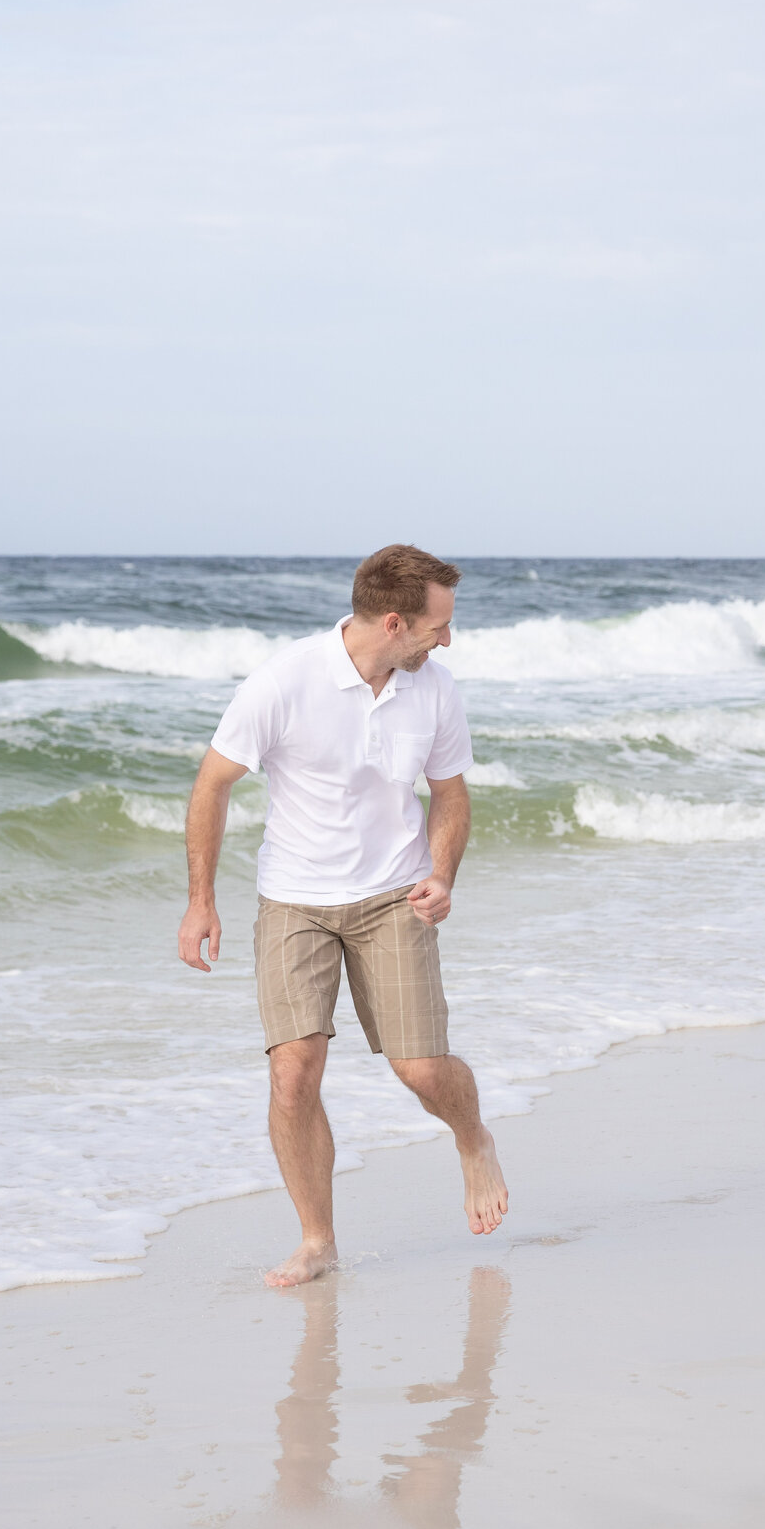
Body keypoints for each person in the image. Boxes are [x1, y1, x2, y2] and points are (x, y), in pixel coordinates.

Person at [178, 544, 509, 1287]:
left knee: (421, 1069)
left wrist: (442, 873)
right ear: (394, 622)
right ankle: (316, 1238)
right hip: (295, 897)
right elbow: (212, 785)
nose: (445, 640)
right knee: (293, 1074)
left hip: (394, 895)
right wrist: (201, 899)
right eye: (437, 626)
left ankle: (472, 1135)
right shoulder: (284, 682)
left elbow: (451, 795)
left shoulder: (435, 689)